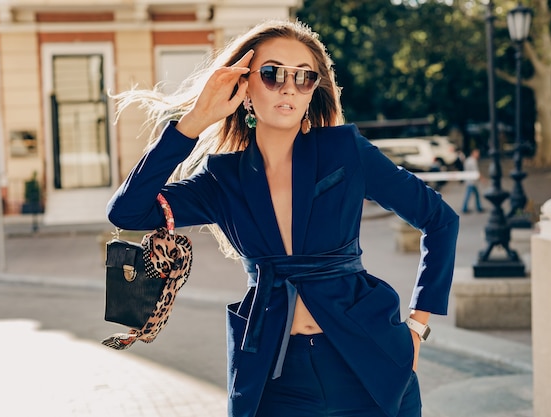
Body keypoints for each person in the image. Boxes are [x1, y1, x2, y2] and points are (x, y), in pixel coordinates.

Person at [107, 19, 459, 417]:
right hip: (274, 377)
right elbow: (127, 211)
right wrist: (194, 120)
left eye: (304, 77)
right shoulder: (222, 179)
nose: (289, 87)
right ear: (245, 87)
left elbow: (441, 220)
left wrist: (417, 326)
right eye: (272, 74)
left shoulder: (345, 152)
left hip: (370, 365)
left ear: (313, 92)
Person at [461, 148, 484, 213]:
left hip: (470, 180)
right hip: (472, 181)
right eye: (477, 153)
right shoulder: (473, 161)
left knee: (475, 194)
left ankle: (478, 207)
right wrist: (482, 178)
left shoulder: (468, 160)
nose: (478, 155)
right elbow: (476, 171)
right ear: (473, 153)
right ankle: (465, 208)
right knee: (469, 195)